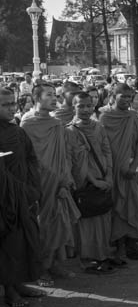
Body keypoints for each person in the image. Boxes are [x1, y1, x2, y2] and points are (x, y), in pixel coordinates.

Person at [20, 84, 81, 287]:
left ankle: (54, 263)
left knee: (58, 221)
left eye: (55, 95)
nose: (54, 99)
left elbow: (64, 153)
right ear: (37, 98)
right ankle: (41, 269)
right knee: (40, 224)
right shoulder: (26, 124)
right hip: (38, 182)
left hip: (57, 180)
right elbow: (26, 157)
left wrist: (65, 177)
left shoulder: (56, 124)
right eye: (49, 95)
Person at [0, 87, 44, 307]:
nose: (11, 108)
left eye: (12, 103)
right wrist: (14, 189)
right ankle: (9, 290)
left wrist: (32, 187)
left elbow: (30, 158)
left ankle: (20, 284)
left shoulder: (17, 131)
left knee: (26, 242)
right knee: (9, 246)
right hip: (5, 201)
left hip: (24, 196)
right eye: (4, 104)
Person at [99, 83, 138, 262]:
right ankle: (119, 246)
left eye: (130, 97)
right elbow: (102, 146)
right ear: (112, 97)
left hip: (131, 169)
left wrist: (134, 165)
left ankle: (132, 243)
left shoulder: (133, 116)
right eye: (123, 96)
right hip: (113, 170)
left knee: (134, 205)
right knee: (117, 206)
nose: (127, 100)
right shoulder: (104, 117)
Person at [66, 93, 116, 275]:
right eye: (81, 106)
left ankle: (102, 254)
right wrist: (94, 181)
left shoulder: (98, 127)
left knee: (103, 218)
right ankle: (87, 259)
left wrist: (109, 175)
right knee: (86, 222)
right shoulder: (70, 131)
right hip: (85, 183)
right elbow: (75, 159)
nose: (86, 110)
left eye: (89, 106)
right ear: (74, 107)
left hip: (103, 177)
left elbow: (106, 151)